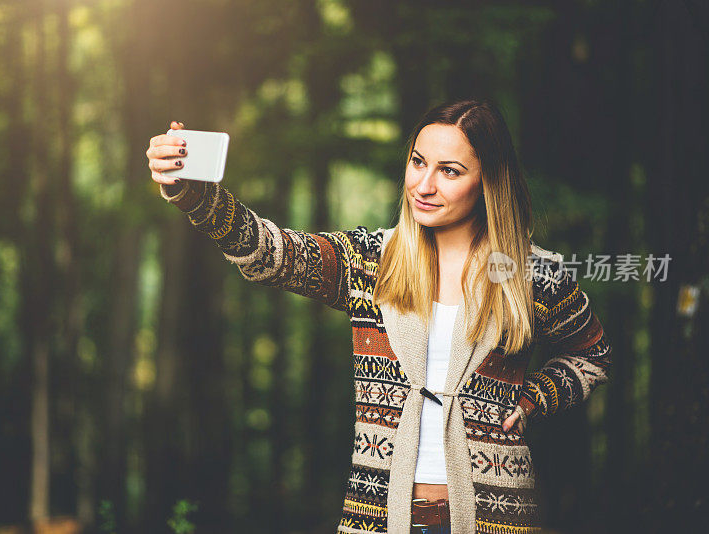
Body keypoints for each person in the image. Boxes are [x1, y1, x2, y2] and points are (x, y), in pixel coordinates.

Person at [145, 99, 612, 534]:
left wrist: (537, 395)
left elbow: (594, 354)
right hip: (377, 516)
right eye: (417, 162)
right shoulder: (371, 262)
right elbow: (274, 253)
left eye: (449, 171)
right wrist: (196, 197)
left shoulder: (533, 274)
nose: (424, 185)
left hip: (499, 517)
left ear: (488, 181)